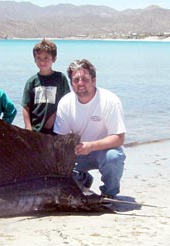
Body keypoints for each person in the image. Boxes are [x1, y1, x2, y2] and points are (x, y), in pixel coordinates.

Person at [54, 59, 126, 198]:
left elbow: (119, 138)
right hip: (78, 153)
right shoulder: (65, 102)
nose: (80, 83)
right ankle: (83, 179)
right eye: (76, 80)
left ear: (94, 80)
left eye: (85, 79)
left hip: (103, 152)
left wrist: (91, 146)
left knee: (114, 157)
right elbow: (60, 139)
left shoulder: (110, 100)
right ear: (71, 83)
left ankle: (109, 193)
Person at [22, 39, 70, 135]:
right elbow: (25, 107)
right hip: (36, 129)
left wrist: (54, 117)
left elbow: (67, 103)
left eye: (46, 58)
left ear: (54, 59)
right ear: (34, 59)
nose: (42, 61)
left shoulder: (60, 78)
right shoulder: (32, 82)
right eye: (39, 58)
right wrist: (28, 127)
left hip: (56, 128)